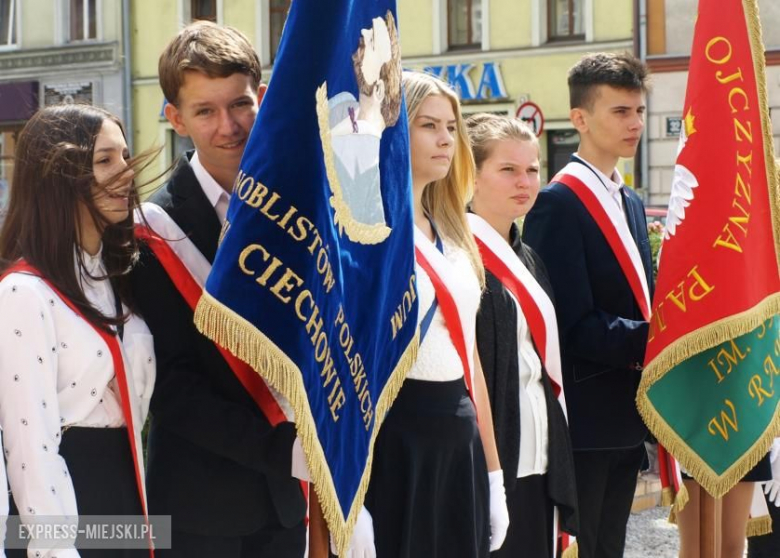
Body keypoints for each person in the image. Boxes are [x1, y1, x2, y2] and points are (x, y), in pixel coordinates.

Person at [129, 21, 306, 557]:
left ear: (264, 100)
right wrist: (283, 450)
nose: (229, 126)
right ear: (176, 119)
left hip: (295, 502)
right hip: (202, 509)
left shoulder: (299, 209)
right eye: (205, 111)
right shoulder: (151, 231)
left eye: (241, 104)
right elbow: (171, 388)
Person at [342, 71, 509, 558]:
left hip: (459, 438)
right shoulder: (364, 232)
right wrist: (350, 498)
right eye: (427, 125)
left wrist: (494, 475)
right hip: (394, 440)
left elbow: (470, 360)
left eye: (452, 127)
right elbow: (348, 368)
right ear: (396, 130)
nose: (444, 139)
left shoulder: (456, 233)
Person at [0, 104, 155, 557]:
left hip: (130, 493)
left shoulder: (118, 280)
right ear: (57, 175)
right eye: (105, 160)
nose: (126, 173)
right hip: (63, 504)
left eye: (125, 157)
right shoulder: (22, 295)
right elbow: (31, 447)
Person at [522, 52, 654, 558]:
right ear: (579, 118)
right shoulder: (559, 202)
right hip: (585, 420)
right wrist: (659, 335)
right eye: (620, 112)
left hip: (628, 415)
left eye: (639, 111)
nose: (636, 123)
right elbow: (568, 324)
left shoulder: (631, 201)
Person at [466, 113, 578, 557]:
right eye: (508, 170)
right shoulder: (452, 255)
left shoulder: (528, 256)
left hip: (540, 454)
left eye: (532, 169)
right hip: (490, 459)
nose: (525, 181)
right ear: (470, 177)